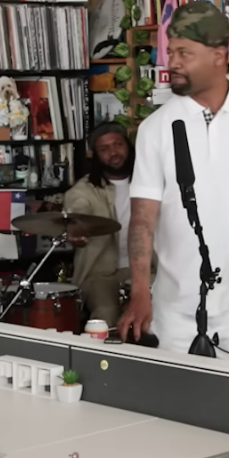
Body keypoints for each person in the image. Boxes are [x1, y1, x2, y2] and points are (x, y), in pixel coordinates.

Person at [118, 1, 229, 363]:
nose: (173, 62)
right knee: (172, 417)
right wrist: (140, 291)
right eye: (171, 52)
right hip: (173, 311)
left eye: (185, 53)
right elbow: (142, 218)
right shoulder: (155, 129)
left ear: (220, 55)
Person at [63, 123, 136, 326]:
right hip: (99, 273)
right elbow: (77, 211)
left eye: (118, 144)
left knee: (163, 307)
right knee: (106, 312)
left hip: (145, 268)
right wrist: (76, 228)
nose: (113, 152)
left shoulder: (149, 184)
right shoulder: (83, 190)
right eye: (104, 149)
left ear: (128, 146)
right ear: (95, 155)